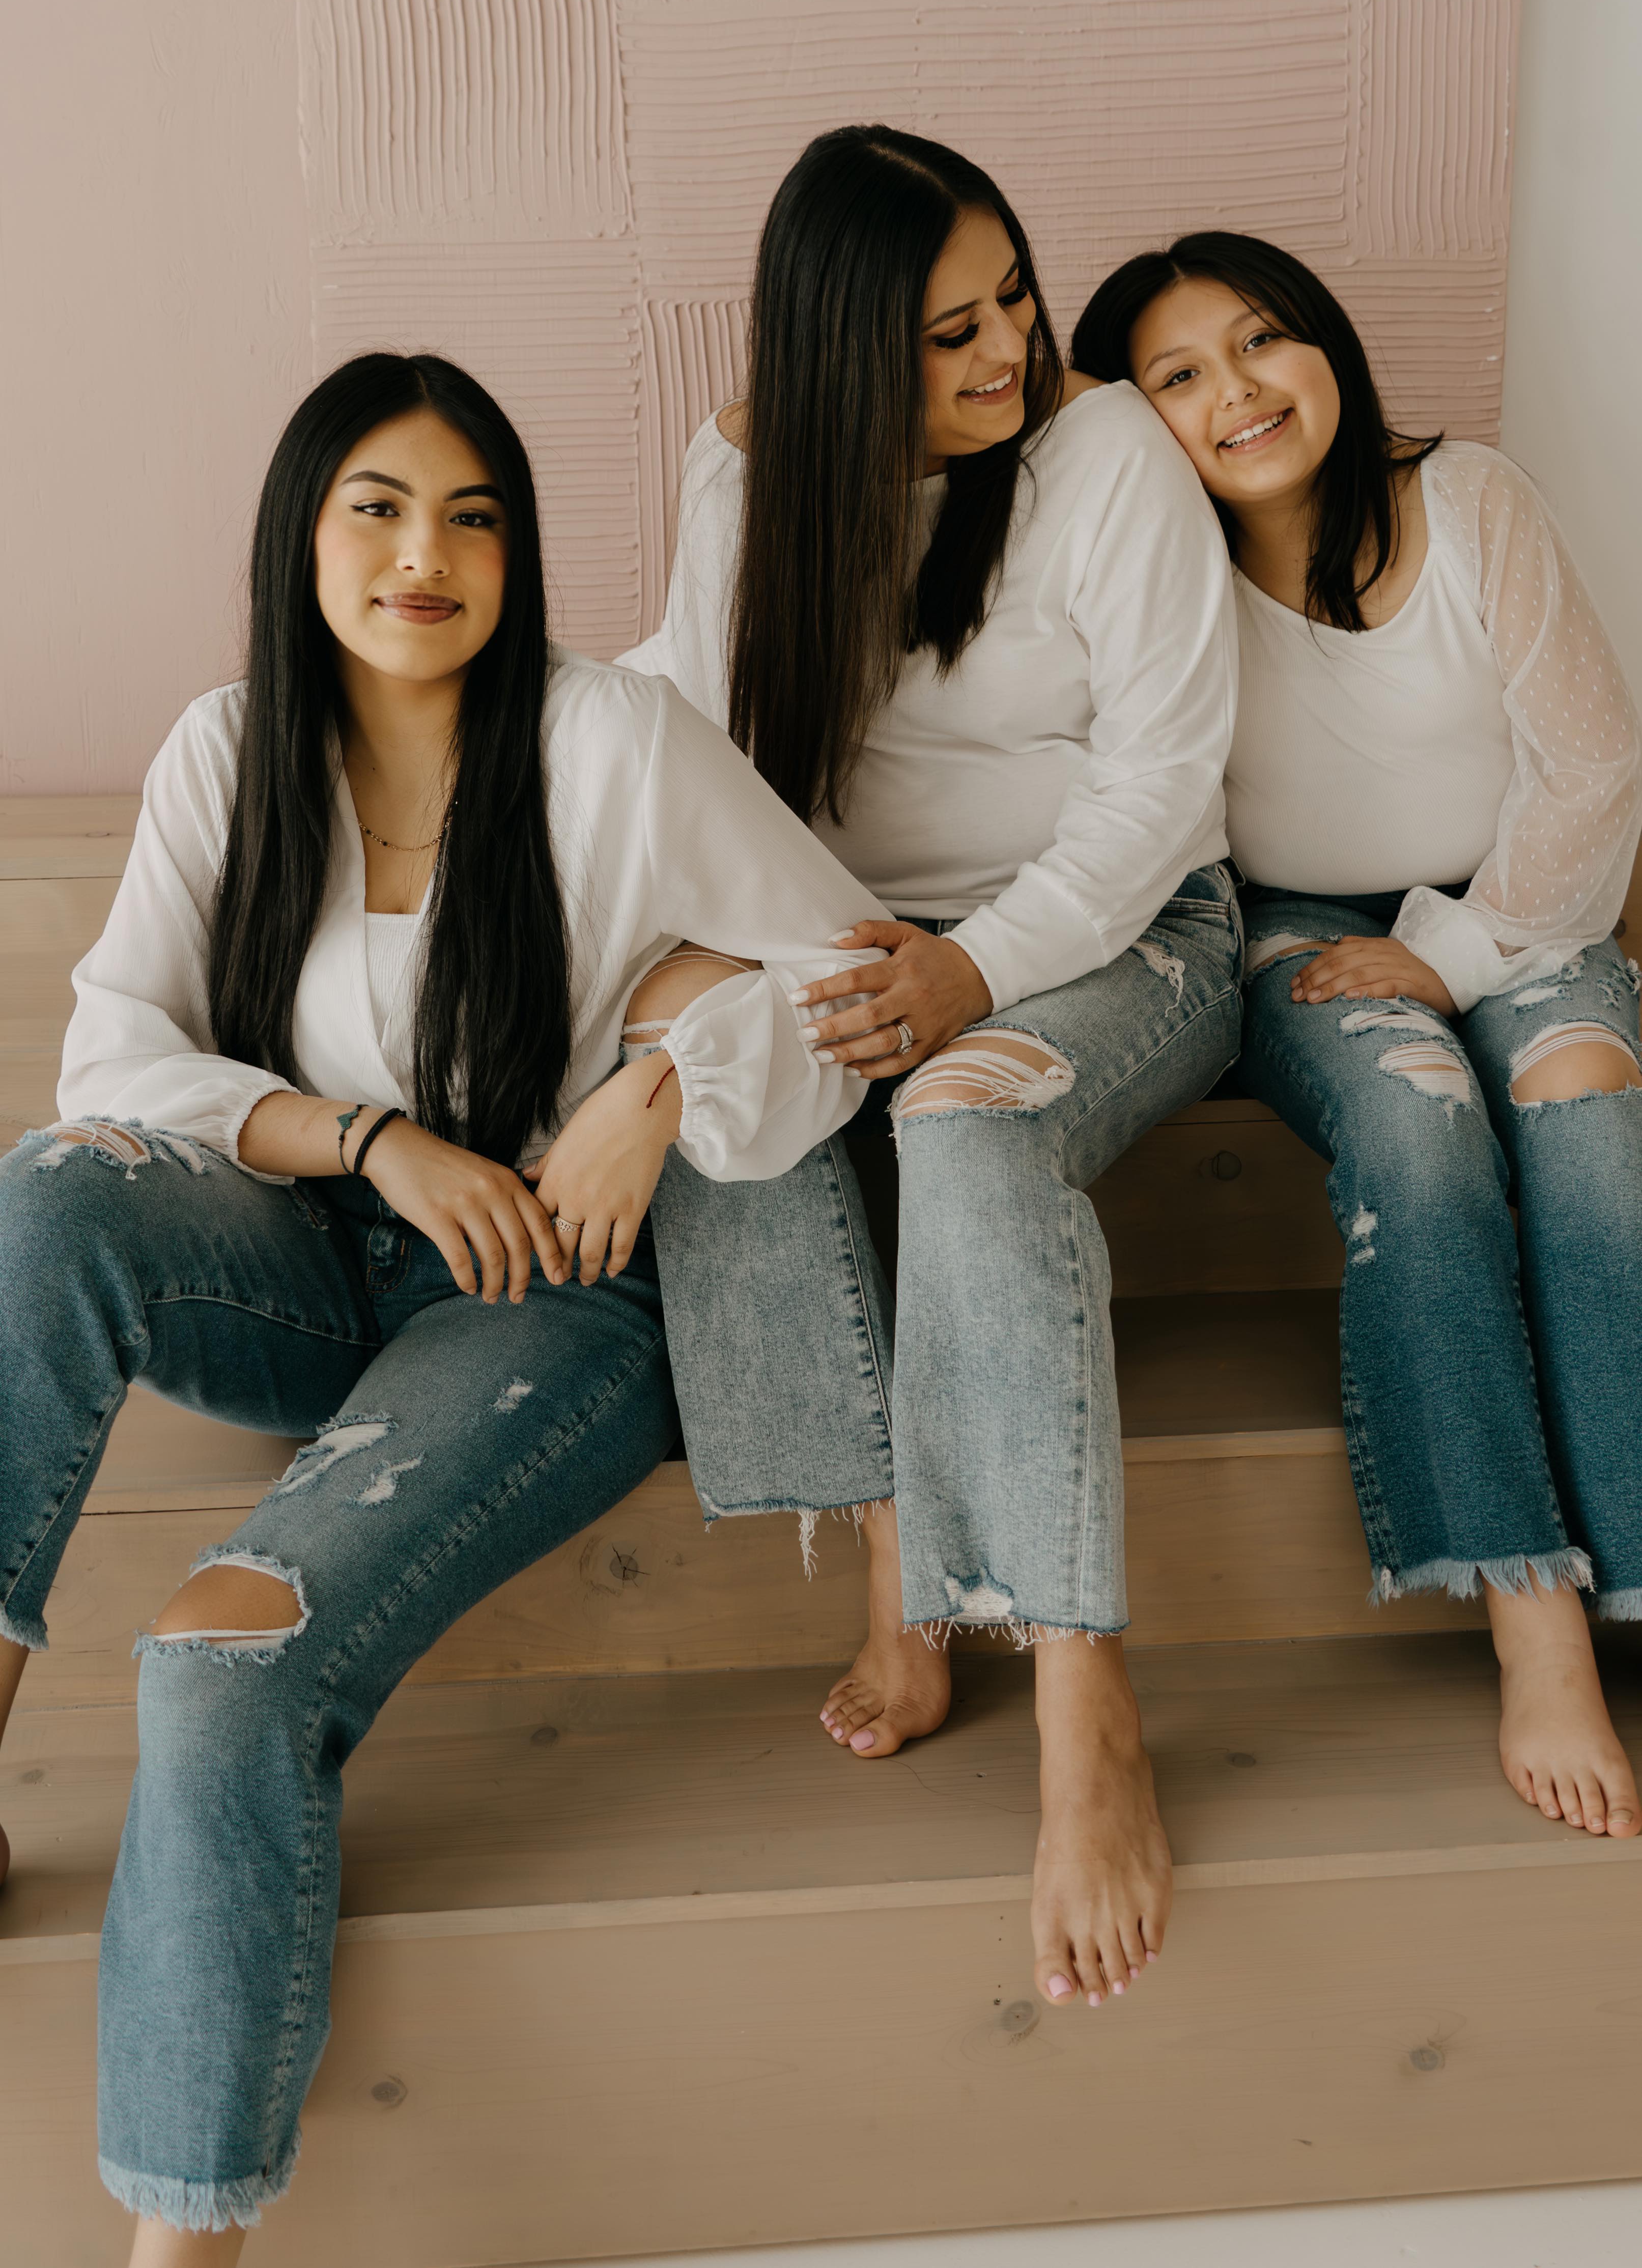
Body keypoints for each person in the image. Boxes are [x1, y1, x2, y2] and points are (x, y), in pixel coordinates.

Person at [0, 350, 889, 2261]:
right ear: (302, 535)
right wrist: (370, 1139)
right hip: (314, 1265)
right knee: (48, 1192)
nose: (428, 554)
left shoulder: (611, 741)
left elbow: (852, 971)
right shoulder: (228, 747)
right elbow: (105, 1061)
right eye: (379, 509)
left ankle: (183, 2243)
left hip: (550, 1308)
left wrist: (661, 1084)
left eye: (475, 515)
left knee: (214, 1667)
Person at [628, 125, 1241, 2012]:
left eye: (1012, 303)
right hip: (859, 928)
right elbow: (701, 728)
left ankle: (1081, 1689)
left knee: (968, 1138)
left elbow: (1161, 787)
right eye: (944, 334)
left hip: (1120, 933)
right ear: (835, 364)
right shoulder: (750, 473)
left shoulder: (1107, 457)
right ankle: (901, 1570)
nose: (1007, 354)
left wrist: (972, 973)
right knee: (719, 1076)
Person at [1073, 230, 1642, 1840]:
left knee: (1594, 1128)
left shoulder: (1470, 497)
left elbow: (1594, 773)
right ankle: (1530, 1616)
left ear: (1326, 345)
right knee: (1418, 1132)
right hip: (1291, 936)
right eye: (1179, 375)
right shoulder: (1144, 579)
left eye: (1264, 341)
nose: (1238, 391)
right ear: (1133, 421)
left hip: (1523, 900)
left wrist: (1451, 955)